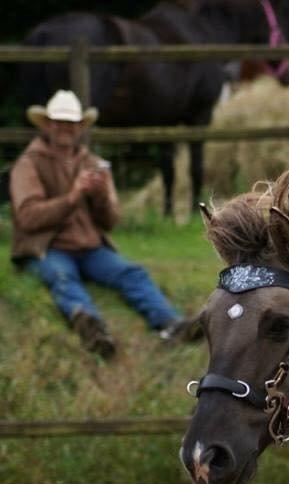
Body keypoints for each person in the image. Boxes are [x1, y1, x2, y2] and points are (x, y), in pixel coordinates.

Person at [9, 90, 196, 358]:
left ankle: (170, 324)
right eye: (59, 122)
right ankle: (94, 332)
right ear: (47, 125)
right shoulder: (28, 164)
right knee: (62, 277)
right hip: (48, 248)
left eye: (71, 123)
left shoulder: (92, 163)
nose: (65, 128)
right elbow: (28, 217)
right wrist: (73, 197)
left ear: (79, 127)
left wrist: (102, 196)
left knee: (132, 273)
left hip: (89, 248)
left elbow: (110, 222)